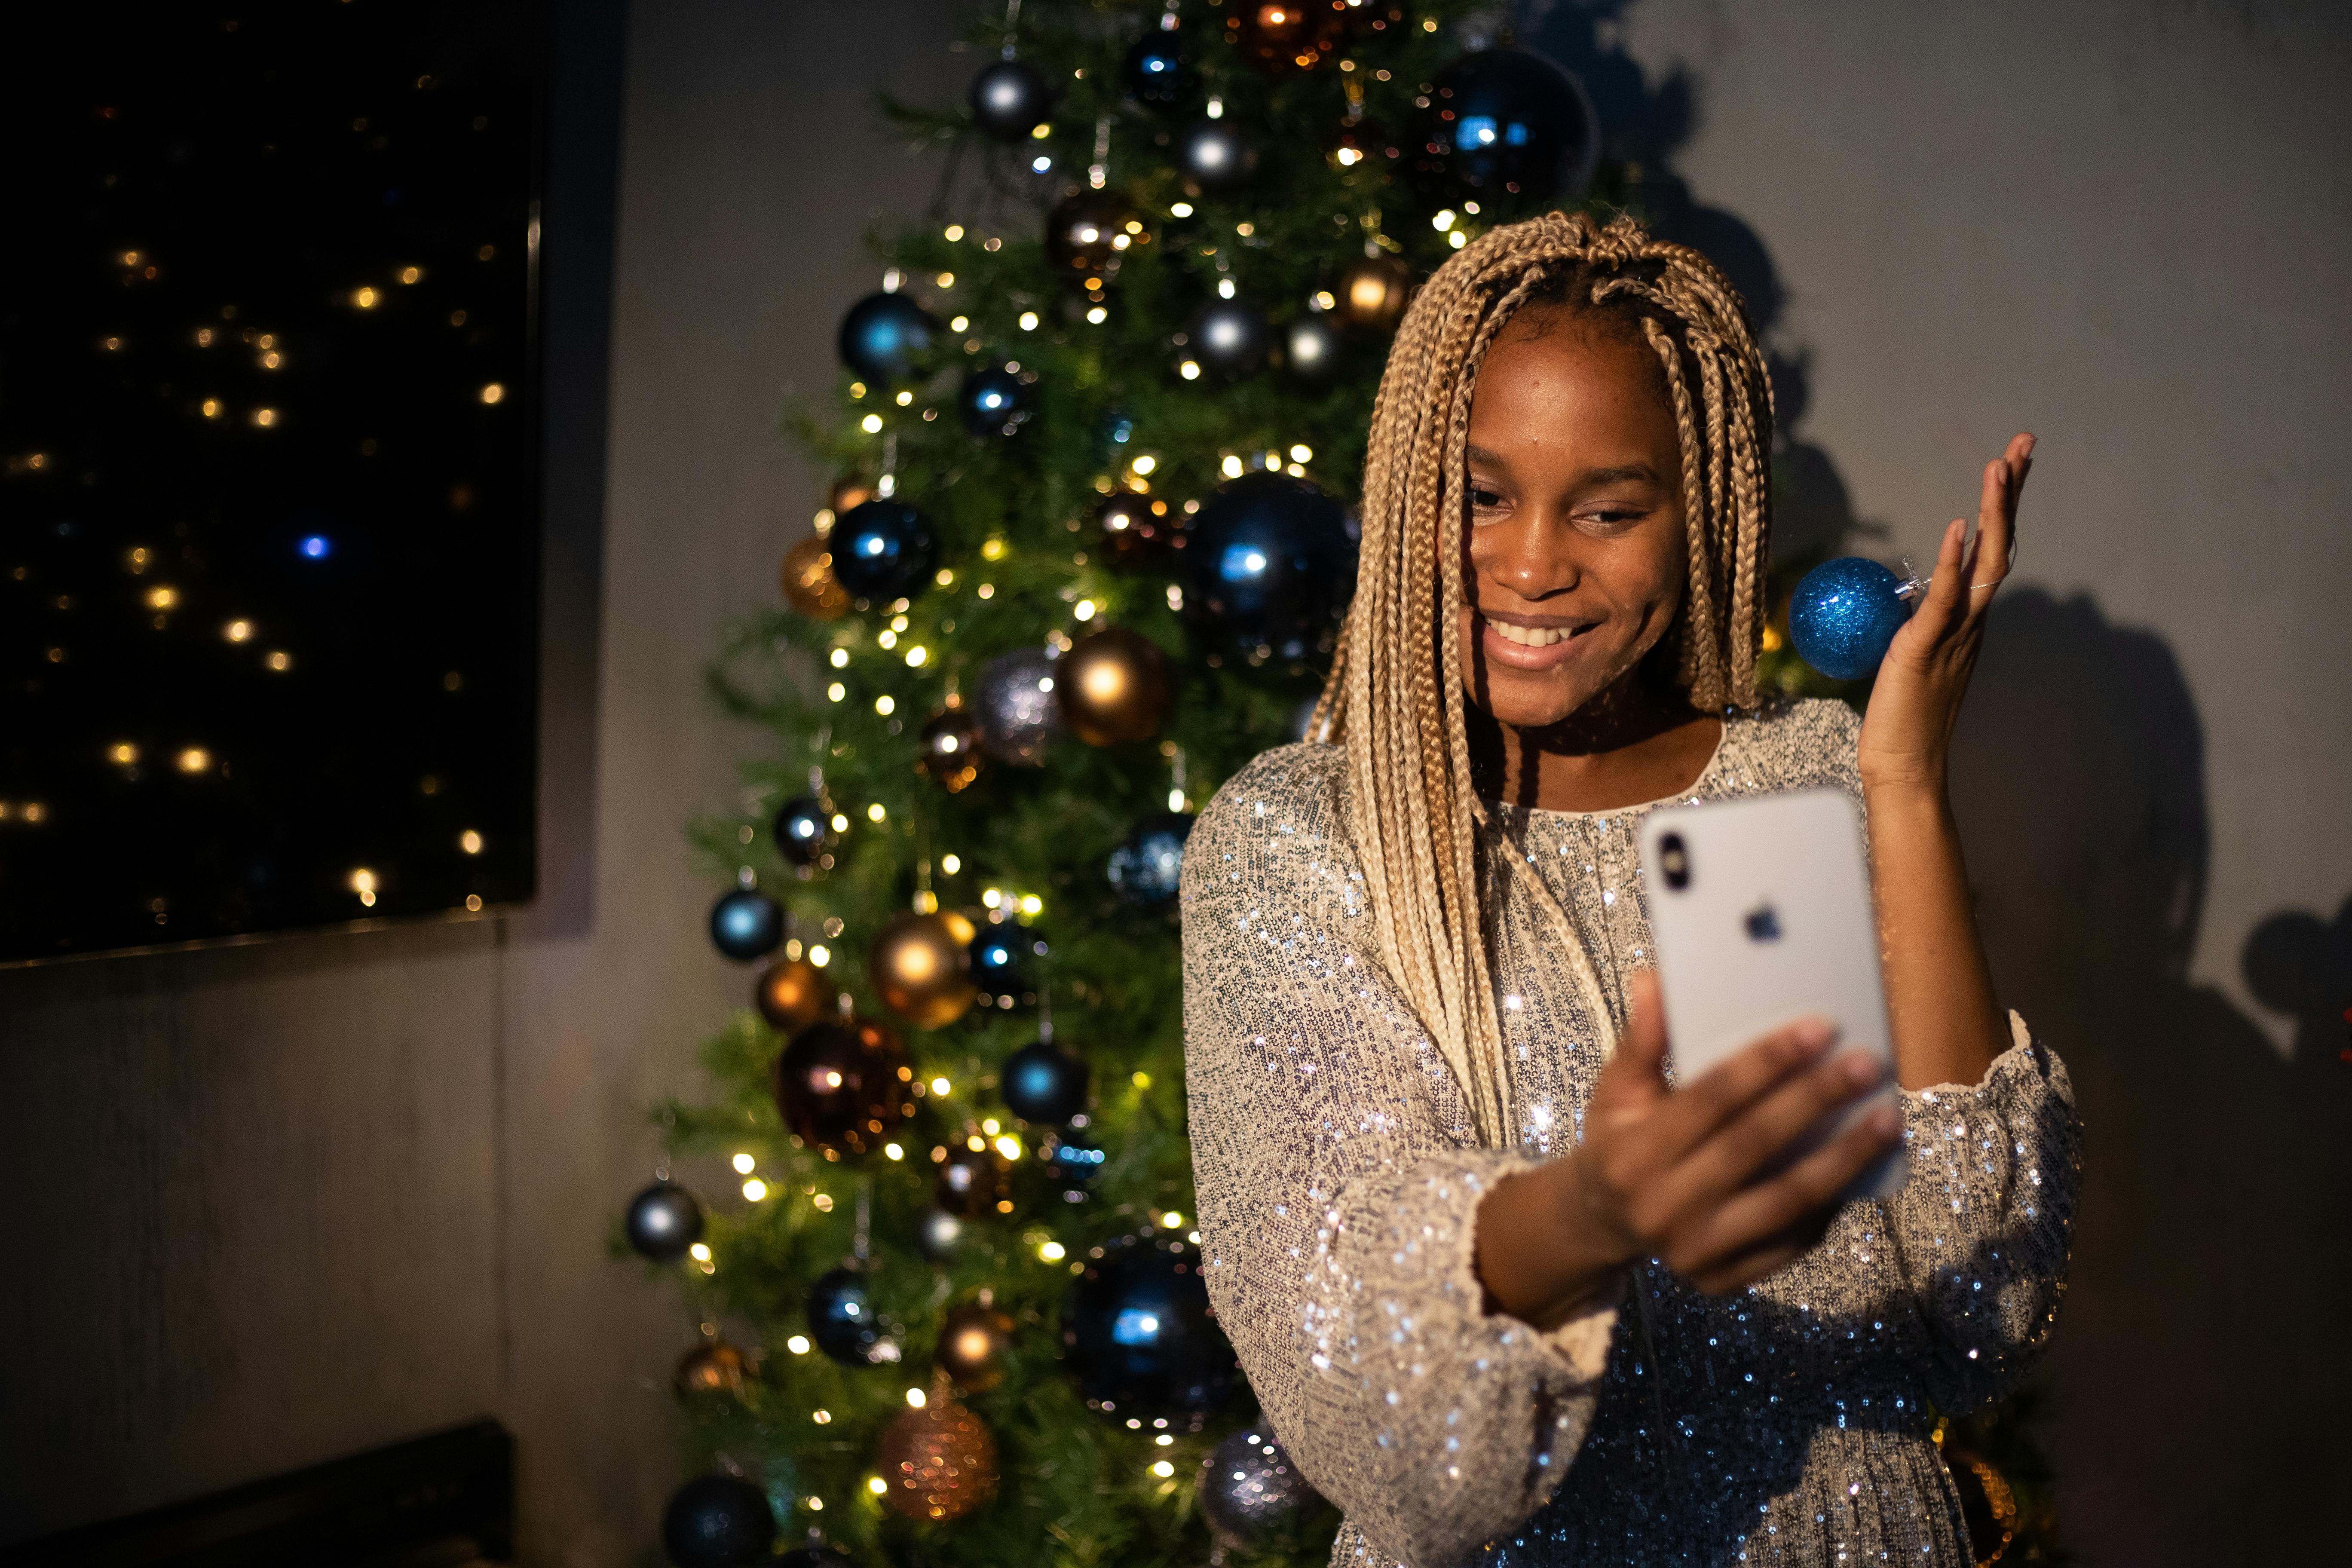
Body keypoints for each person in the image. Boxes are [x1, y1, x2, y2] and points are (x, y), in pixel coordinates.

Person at [1180, 211, 2081, 1566]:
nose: (1535, 564)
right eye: (1483, 496)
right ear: (1416, 489)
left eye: (1607, 509)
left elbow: (1969, 1312)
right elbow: (1361, 1411)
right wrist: (1594, 1213)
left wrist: (1898, 787)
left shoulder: (1780, 799)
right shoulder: (1312, 843)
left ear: (1696, 513)